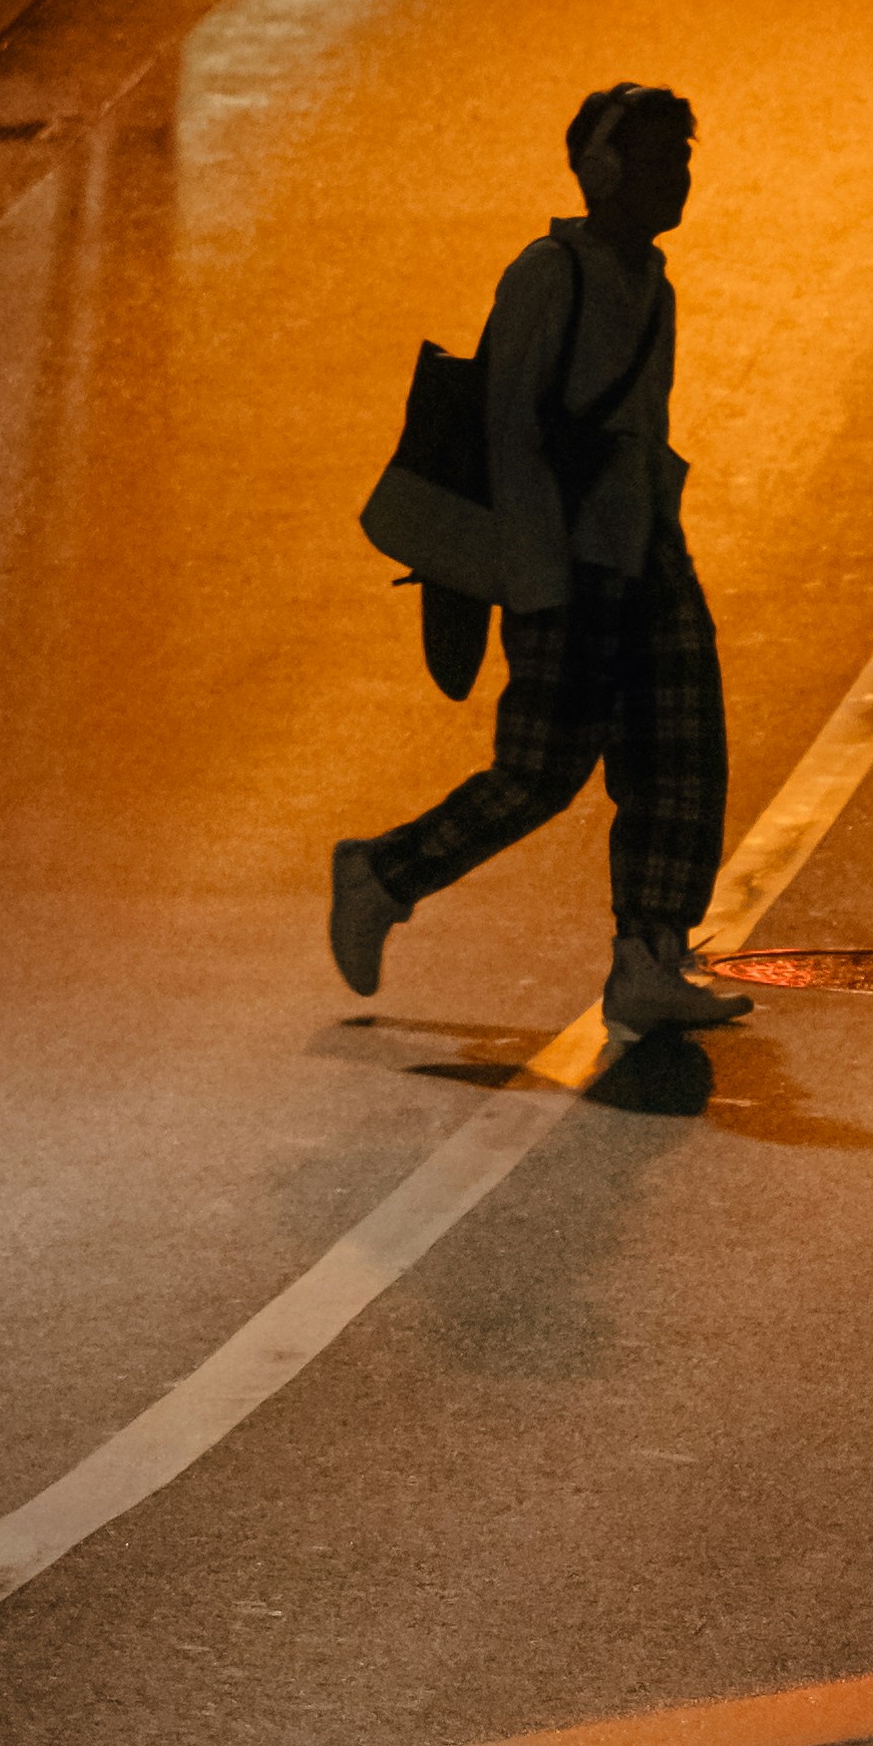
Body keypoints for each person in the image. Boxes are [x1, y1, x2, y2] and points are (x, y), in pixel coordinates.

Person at [328, 80, 752, 1038]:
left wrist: (660, 542)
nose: (677, 177)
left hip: (647, 557)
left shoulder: (652, 285)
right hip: (568, 569)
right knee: (539, 775)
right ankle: (380, 873)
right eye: (658, 159)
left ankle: (648, 956)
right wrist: (540, 585)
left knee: (682, 759)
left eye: (683, 158)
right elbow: (510, 430)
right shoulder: (549, 274)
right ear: (603, 172)